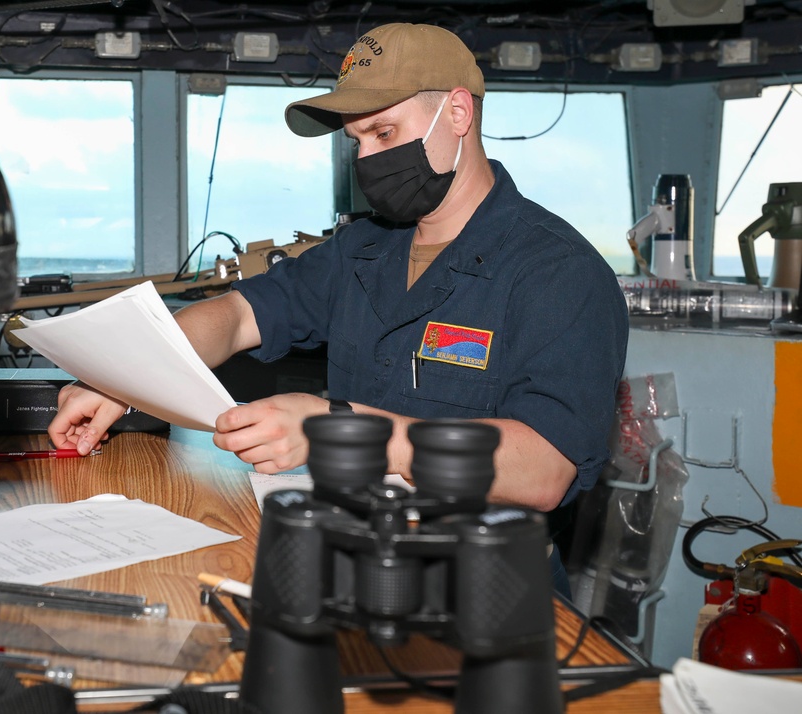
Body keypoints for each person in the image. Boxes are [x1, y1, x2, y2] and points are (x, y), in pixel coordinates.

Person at [48, 22, 629, 597]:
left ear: (457, 113)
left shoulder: (559, 272)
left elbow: (544, 468)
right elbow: (238, 314)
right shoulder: (363, 249)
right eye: (358, 142)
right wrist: (126, 373)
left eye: (384, 131)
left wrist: (336, 432)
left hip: (487, 586)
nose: (369, 158)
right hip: (348, 559)